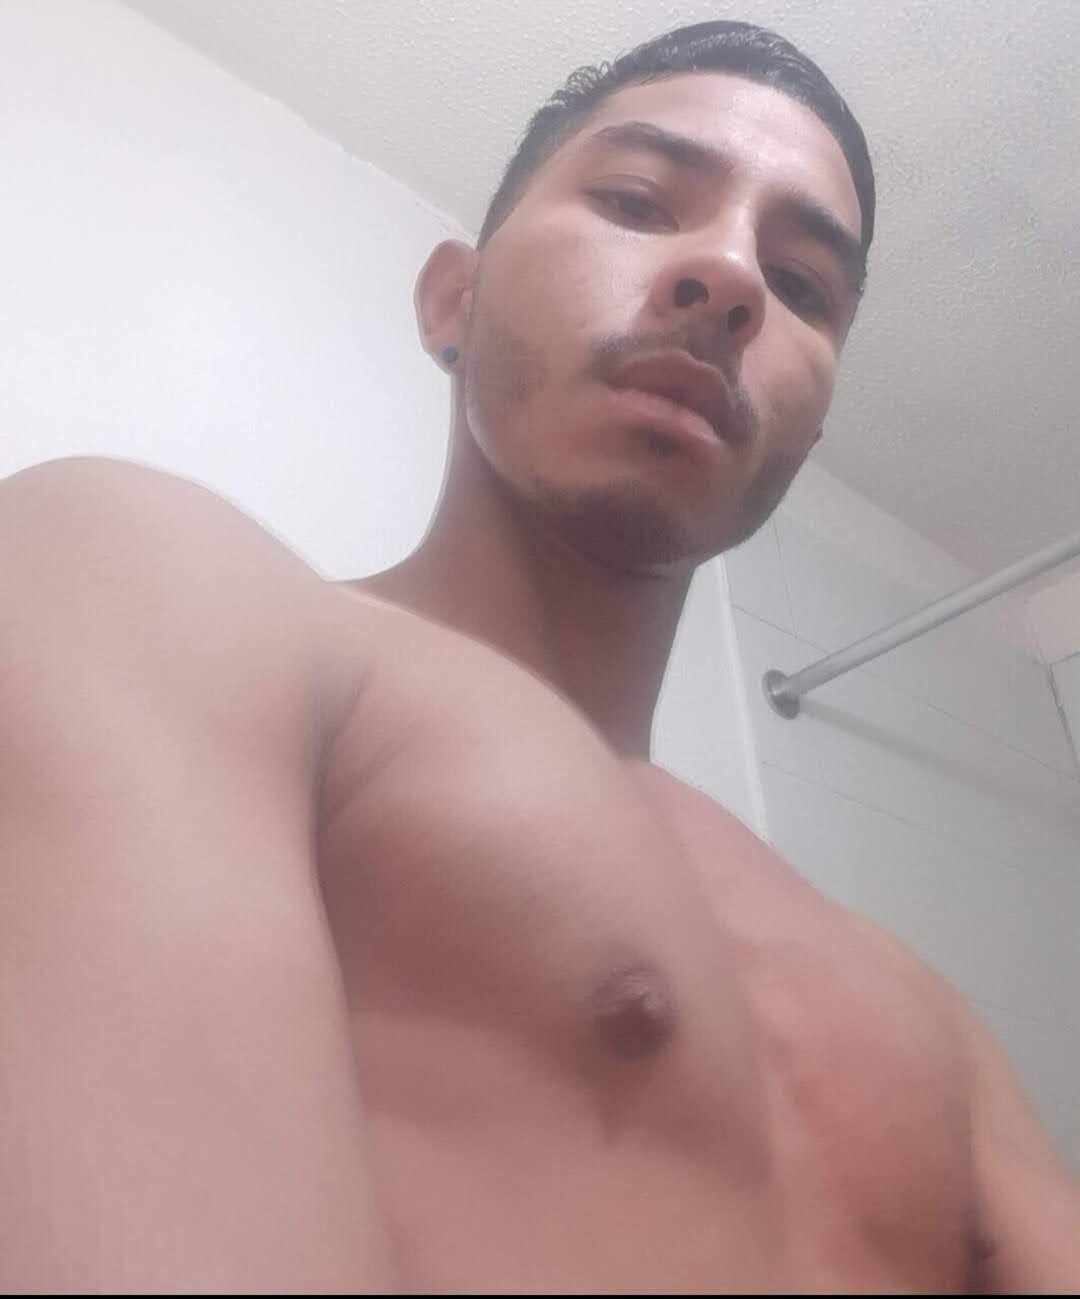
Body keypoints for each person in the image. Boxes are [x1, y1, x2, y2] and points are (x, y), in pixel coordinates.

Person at [1, 18, 1077, 1295]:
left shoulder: (913, 1005)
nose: (731, 275)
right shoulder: (152, 590)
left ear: (813, 419)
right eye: (636, 200)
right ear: (451, 300)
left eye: (802, 287)